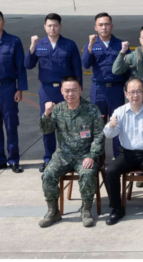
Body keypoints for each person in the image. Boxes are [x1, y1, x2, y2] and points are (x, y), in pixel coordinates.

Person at [38, 76, 104, 228]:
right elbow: (46, 130)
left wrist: (92, 156)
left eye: (74, 90)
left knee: (87, 174)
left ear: (80, 90)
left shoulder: (91, 110)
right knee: (48, 174)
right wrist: (47, 114)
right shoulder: (58, 109)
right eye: (67, 90)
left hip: (84, 155)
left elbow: (99, 135)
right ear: (61, 91)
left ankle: (86, 210)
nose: (70, 94)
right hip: (63, 156)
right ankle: (53, 211)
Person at [103, 78, 143, 226]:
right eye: (131, 92)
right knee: (110, 171)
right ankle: (116, 209)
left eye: (138, 91)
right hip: (126, 154)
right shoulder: (120, 112)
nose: (135, 95)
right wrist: (111, 125)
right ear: (126, 94)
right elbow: (109, 134)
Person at [25, 13, 83, 172]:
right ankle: (48, 158)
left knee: (70, 125)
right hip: (47, 90)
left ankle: (72, 159)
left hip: (67, 91)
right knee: (48, 125)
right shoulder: (39, 44)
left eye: (55, 25)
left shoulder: (69, 45)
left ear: (60, 26)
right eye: (49, 25)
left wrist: (78, 89)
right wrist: (32, 46)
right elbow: (28, 65)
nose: (52, 28)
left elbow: (77, 68)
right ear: (45, 27)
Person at [82, 12, 130, 158]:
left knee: (117, 124)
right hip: (98, 90)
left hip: (115, 89)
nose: (104, 27)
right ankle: (98, 158)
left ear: (112, 26)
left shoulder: (120, 45)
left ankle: (118, 157)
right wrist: (90, 46)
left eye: (107, 24)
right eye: (100, 25)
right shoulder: (91, 45)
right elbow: (85, 64)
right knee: (97, 125)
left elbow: (128, 69)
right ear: (95, 27)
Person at [0, 11, 27, 173]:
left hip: (8, 88)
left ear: (3, 21)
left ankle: (14, 160)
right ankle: (1, 160)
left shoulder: (13, 41)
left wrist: (20, 89)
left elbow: (20, 67)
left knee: (11, 125)